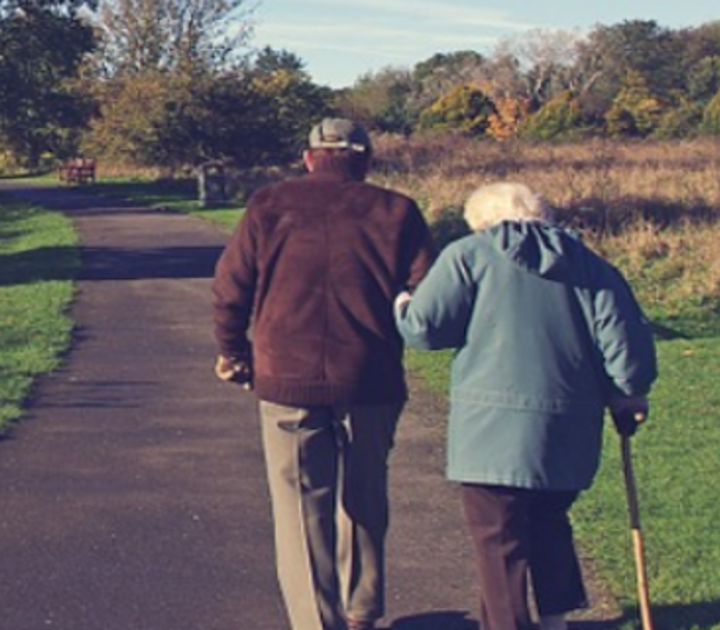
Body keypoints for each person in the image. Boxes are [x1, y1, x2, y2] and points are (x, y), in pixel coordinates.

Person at [393, 182, 658, 630]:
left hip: (489, 427)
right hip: (568, 424)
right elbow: (626, 349)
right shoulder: (591, 266)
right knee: (550, 520)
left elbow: (425, 329)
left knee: (498, 538)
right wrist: (628, 393)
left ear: (482, 220)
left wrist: (402, 303)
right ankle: (554, 620)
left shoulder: (468, 255)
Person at [211, 118, 437, 630]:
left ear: (308, 156)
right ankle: (361, 611)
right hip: (371, 378)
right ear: (365, 160)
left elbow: (230, 290)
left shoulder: (268, 205)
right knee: (365, 495)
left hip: (286, 376)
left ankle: (318, 622)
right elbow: (428, 298)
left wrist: (233, 352)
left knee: (298, 508)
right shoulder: (397, 211)